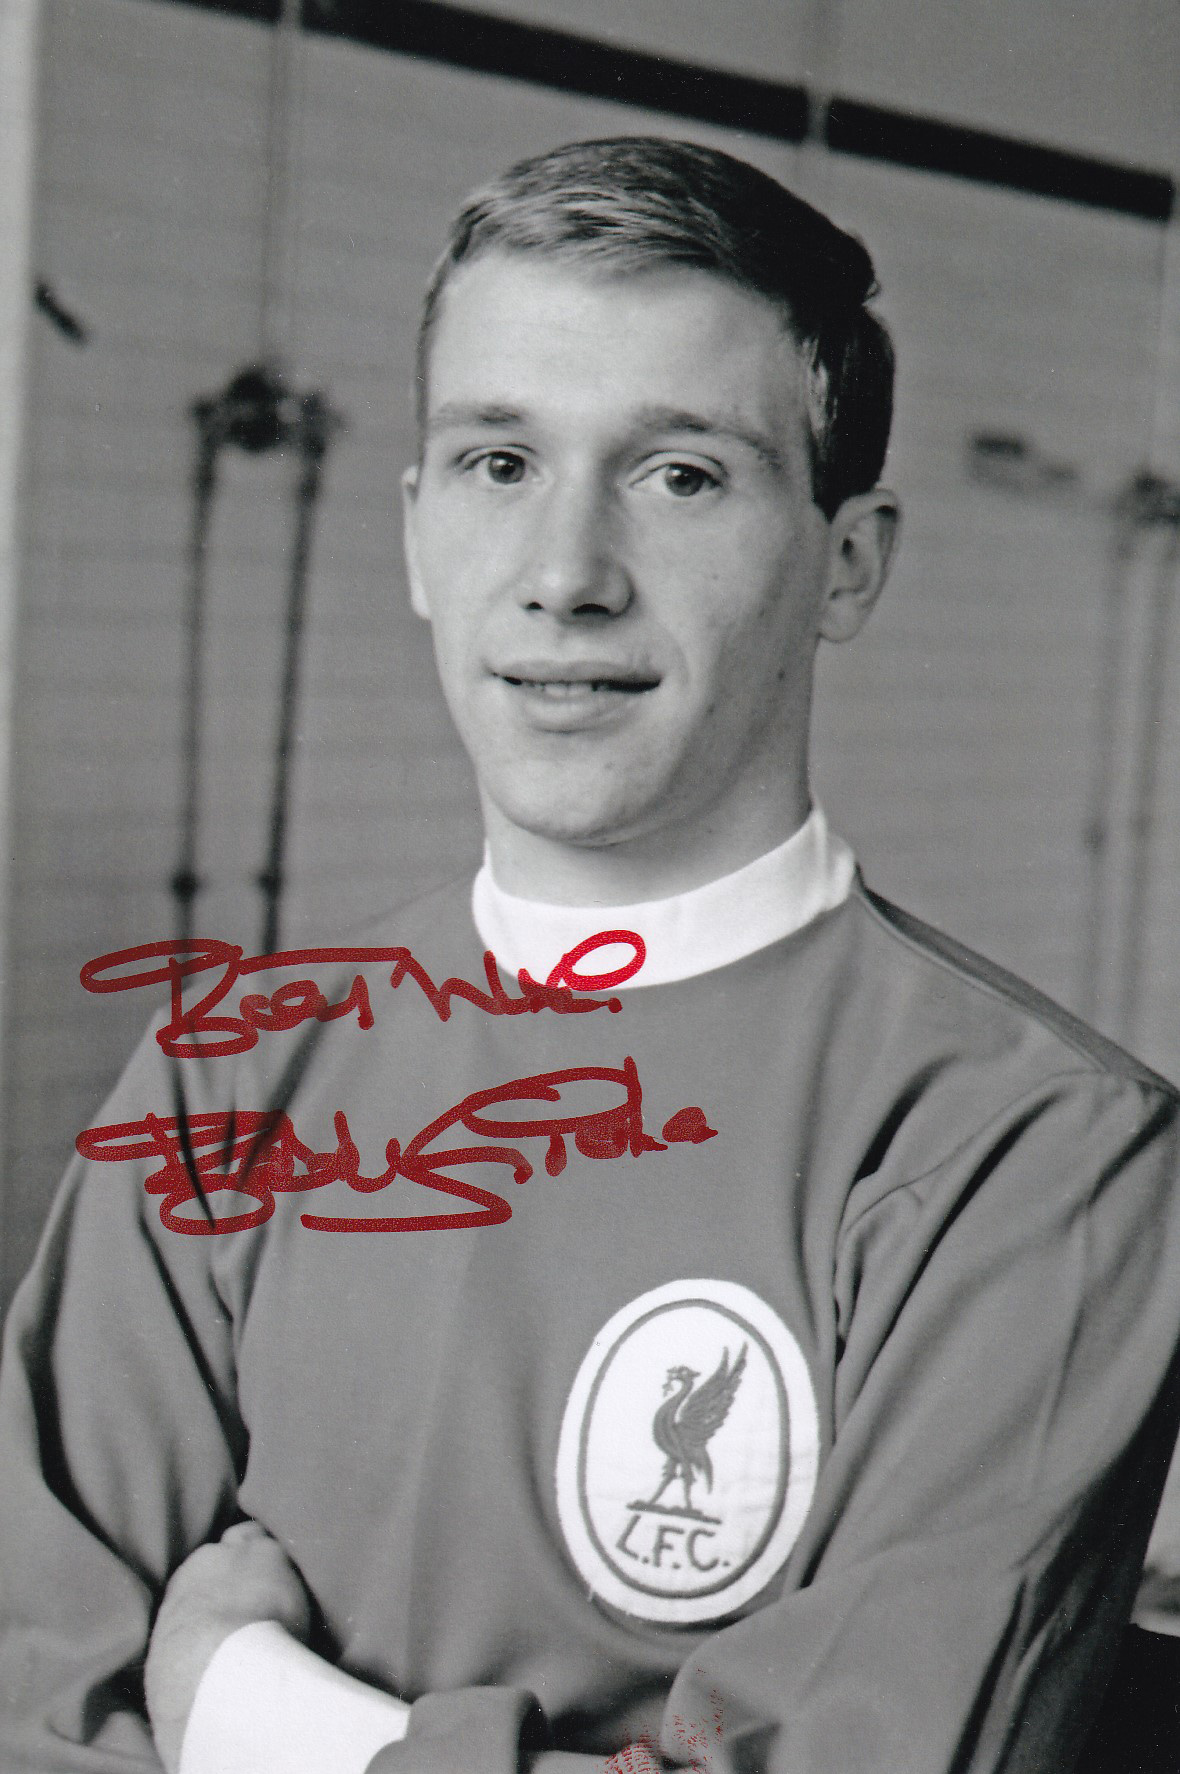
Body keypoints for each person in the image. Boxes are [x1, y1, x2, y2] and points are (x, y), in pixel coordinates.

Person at [2, 135, 1179, 1774]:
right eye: (499, 463)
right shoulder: (232, 1076)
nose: (564, 577)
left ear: (848, 559)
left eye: (679, 473)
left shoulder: (1030, 1154)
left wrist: (257, 1716)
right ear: (418, 533)